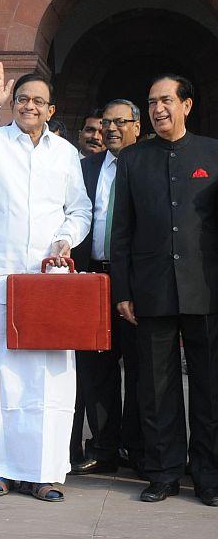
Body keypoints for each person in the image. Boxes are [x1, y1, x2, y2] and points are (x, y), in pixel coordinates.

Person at [0, 59, 92, 502]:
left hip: (47, 284)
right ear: (13, 104)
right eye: (23, 99)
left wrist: (66, 240)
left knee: (48, 380)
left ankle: (45, 470)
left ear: (52, 110)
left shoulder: (66, 154)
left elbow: (80, 210)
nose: (30, 106)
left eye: (39, 101)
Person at [111, 74, 218, 507]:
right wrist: (123, 290)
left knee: (210, 389)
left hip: (206, 292)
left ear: (187, 105)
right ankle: (164, 472)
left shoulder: (213, 152)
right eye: (152, 101)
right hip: (151, 290)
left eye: (167, 100)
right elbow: (122, 231)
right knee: (157, 391)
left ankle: (208, 476)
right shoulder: (134, 159)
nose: (159, 109)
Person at [70, 99, 143, 477]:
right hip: (91, 277)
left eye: (119, 123)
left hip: (135, 280)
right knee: (96, 368)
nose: (110, 130)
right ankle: (103, 448)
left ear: (137, 127)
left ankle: (138, 446)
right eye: (105, 124)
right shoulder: (85, 168)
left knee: (140, 366)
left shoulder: (149, 163)